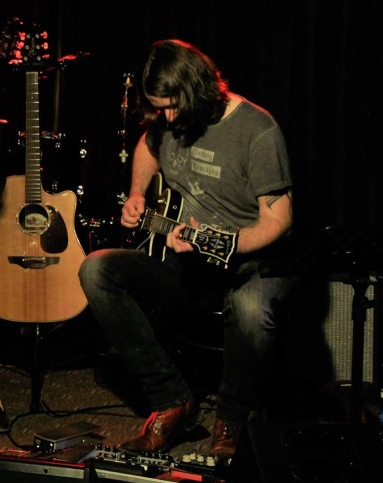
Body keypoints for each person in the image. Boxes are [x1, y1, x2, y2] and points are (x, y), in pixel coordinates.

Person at [78, 39, 294, 465]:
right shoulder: (168, 120)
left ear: (198, 89)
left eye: (174, 107)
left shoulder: (257, 129)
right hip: (192, 267)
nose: (169, 118)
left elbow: (279, 219)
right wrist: (136, 193)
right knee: (96, 270)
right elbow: (148, 146)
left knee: (251, 308)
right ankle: (173, 400)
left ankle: (232, 418)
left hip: (252, 263)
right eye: (161, 110)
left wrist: (225, 242)